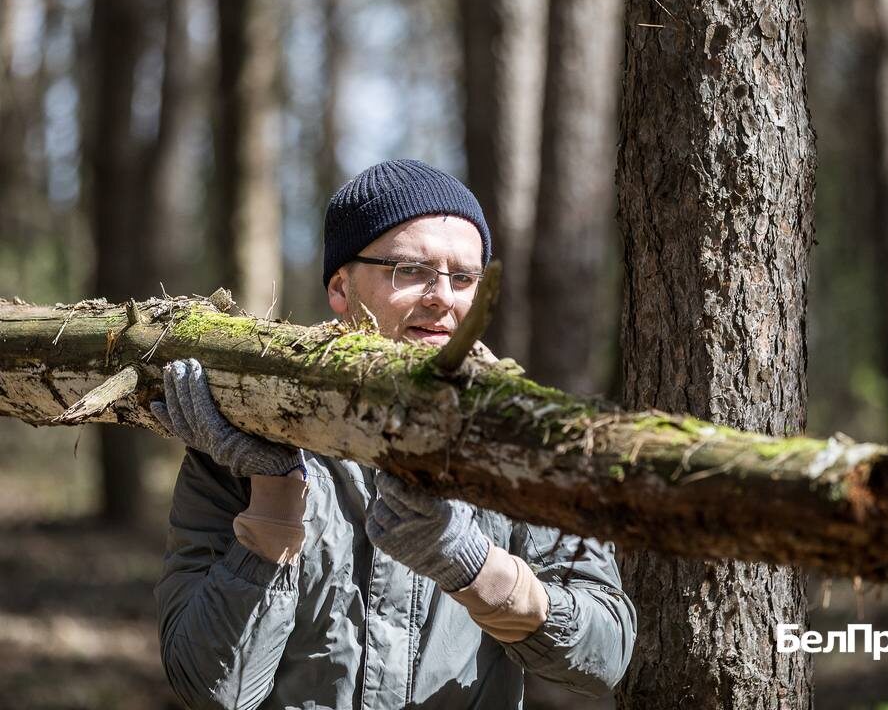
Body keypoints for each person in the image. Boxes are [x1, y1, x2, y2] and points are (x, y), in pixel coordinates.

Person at [151, 158, 636, 710]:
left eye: (464, 278)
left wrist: (472, 564)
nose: (442, 297)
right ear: (340, 286)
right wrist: (273, 502)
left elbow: (607, 654)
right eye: (410, 270)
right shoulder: (246, 439)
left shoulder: (524, 443)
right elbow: (212, 690)